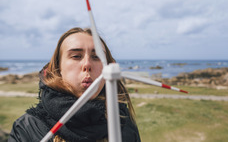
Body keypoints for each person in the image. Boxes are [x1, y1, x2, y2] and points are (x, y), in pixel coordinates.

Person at [8, 27, 141, 142]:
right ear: (58, 68)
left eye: (97, 57)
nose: (87, 64)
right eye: (76, 56)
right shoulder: (27, 128)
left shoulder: (123, 123)